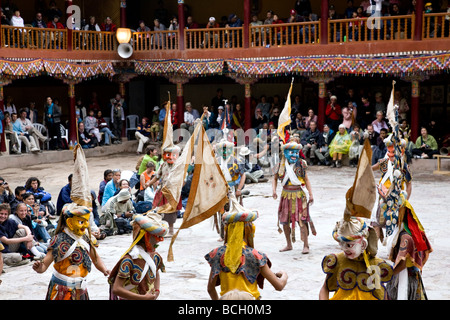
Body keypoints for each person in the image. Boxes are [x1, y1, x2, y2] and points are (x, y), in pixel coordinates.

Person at [319, 140, 394, 300]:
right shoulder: (337, 261)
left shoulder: (375, 264)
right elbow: (324, 289)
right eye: (342, 244)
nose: (344, 248)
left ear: (364, 243)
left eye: (350, 245)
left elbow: (383, 295)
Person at [205, 196, 288, 300]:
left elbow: (210, 289)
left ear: (228, 230)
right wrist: (284, 274)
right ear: (248, 230)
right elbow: (279, 286)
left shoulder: (218, 254)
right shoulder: (256, 256)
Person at [108, 212, 168, 300]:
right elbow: (117, 289)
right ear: (146, 237)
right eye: (157, 237)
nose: (159, 241)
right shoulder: (129, 260)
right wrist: (143, 298)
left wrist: (157, 290)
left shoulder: (155, 257)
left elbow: (156, 272)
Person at [272, 141, 315, 254]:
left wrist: (310, 194)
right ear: (285, 153)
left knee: (302, 221)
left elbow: (306, 179)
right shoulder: (280, 165)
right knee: (285, 220)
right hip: (286, 195)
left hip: (299, 195)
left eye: (296, 152)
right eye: (291, 152)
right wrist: (274, 190)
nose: (294, 155)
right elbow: (275, 178)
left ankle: (306, 245)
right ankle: (288, 244)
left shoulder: (301, 163)